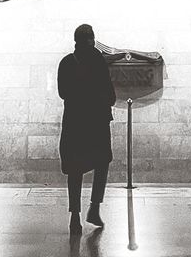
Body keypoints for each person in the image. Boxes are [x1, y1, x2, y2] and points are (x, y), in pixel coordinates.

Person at [58, 23, 116, 235]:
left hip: (75, 123)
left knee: (75, 170)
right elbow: (110, 94)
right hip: (96, 123)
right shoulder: (97, 61)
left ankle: (75, 216)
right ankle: (95, 207)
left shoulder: (66, 62)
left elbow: (63, 92)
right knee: (102, 163)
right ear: (90, 39)